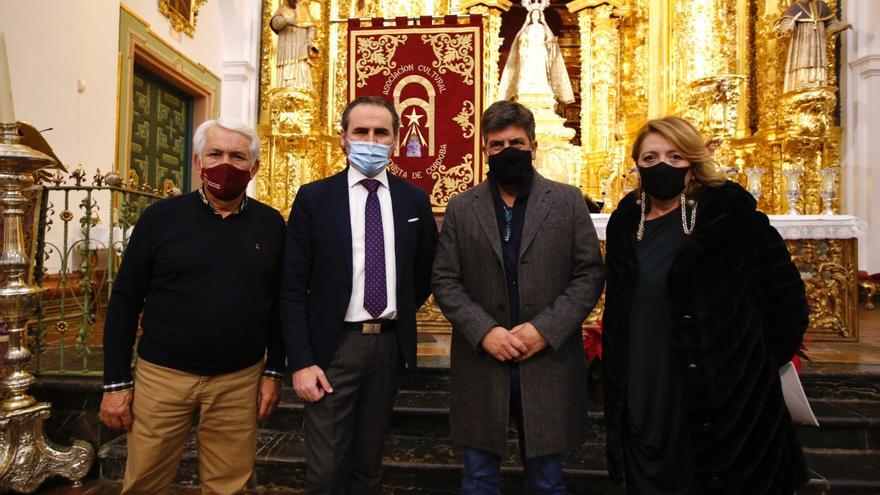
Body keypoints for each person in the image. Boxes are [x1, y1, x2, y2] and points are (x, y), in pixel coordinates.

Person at [602, 116, 809, 493]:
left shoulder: (728, 212)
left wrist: (750, 366)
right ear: (636, 165)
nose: (661, 165)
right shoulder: (625, 221)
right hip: (643, 378)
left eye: (674, 156)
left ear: (693, 161)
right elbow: (619, 307)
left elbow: (786, 296)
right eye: (649, 158)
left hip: (722, 389)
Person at [99, 119, 286, 494]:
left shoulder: (272, 224)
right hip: (162, 376)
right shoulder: (160, 219)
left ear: (254, 168)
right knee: (145, 480)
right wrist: (116, 381)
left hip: (238, 380)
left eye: (237, 156)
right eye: (215, 154)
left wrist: (274, 373)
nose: (225, 165)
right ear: (198, 163)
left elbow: (281, 304)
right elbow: (124, 300)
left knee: (228, 485)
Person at [432, 100, 605, 493]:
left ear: (533, 145)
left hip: (546, 359)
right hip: (483, 361)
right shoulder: (462, 207)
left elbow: (589, 274)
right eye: (496, 145)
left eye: (516, 142)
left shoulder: (567, 201)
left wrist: (544, 330)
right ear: (485, 151)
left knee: (546, 480)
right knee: (478, 477)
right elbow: (445, 279)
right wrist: (485, 331)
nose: (507, 151)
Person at [281, 96, 438, 494]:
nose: (371, 140)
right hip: (334, 349)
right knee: (326, 471)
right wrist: (301, 360)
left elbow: (425, 272)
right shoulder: (314, 198)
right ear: (344, 140)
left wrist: (395, 307)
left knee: (369, 464)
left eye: (381, 132)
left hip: (388, 347)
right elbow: (293, 285)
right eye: (361, 132)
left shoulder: (413, 200)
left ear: (396, 140)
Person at [498, 6, 574, 104]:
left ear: (540, 16)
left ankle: (542, 87)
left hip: (540, 52)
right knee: (528, 70)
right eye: (533, 14)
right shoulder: (527, 29)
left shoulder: (543, 28)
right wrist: (523, 48)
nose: (535, 15)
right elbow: (521, 42)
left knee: (541, 70)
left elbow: (550, 41)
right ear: (530, 16)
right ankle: (527, 87)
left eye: (537, 14)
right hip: (530, 53)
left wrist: (550, 43)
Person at [777, 0, 851, 93]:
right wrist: (788, 27)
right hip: (801, 40)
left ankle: (817, 81)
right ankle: (801, 81)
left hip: (818, 41)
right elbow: (786, 22)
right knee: (803, 59)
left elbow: (831, 23)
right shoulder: (795, 7)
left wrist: (838, 26)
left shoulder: (821, 5)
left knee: (817, 59)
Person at [270, 0, 319, 91]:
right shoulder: (282, 9)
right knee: (287, 69)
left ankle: (303, 88)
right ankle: (285, 89)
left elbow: (311, 27)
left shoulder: (303, 8)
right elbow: (275, 24)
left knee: (302, 67)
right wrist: (285, 20)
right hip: (287, 49)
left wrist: (309, 40)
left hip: (301, 47)